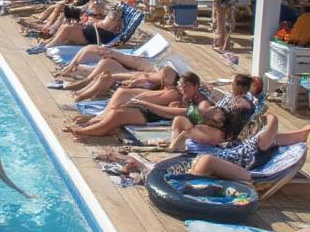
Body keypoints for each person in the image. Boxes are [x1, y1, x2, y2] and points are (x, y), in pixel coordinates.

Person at [66, 71, 203, 140]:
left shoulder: (194, 103)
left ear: (196, 86)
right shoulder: (179, 95)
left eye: (187, 85)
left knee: (117, 114)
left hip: (151, 115)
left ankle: (85, 131)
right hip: (149, 110)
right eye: (181, 85)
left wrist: (144, 103)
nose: (183, 88)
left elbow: (168, 112)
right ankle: (90, 128)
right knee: (117, 109)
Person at [189, 114, 310, 183]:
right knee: (263, 141)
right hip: (243, 159)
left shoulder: (199, 143)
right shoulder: (196, 141)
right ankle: (274, 119)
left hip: (234, 154)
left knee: (267, 139)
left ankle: (301, 134)